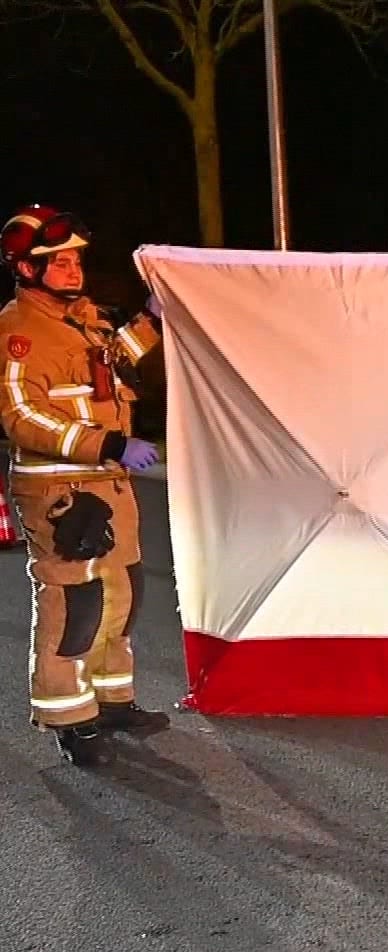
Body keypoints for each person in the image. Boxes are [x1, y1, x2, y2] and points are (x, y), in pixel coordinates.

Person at [0, 204, 169, 766]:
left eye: (75, 260)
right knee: (75, 602)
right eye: (60, 261)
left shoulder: (82, 318)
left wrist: (151, 319)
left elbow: (112, 363)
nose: (74, 269)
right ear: (27, 270)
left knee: (123, 592)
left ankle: (112, 701)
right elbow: (22, 415)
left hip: (107, 483)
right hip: (60, 491)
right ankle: (70, 719)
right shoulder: (19, 332)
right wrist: (110, 445)